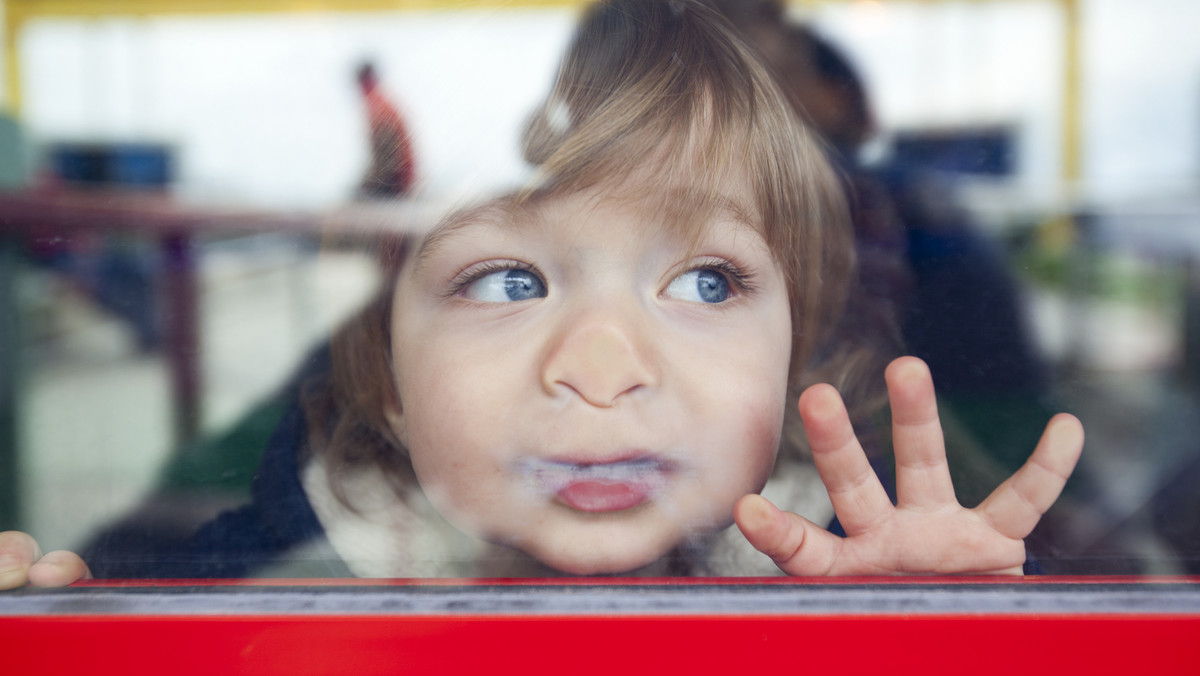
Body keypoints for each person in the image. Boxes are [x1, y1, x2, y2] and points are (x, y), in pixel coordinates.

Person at [0, 0, 1083, 587]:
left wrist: (932, 615)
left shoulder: (847, 553)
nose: (603, 368)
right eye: (508, 278)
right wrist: (58, 595)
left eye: (707, 281)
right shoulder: (248, 575)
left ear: (796, 354)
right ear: (385, 379)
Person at [356, 61, 417, 198]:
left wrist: (368, 183)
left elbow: (387, 160)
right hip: (402, 179)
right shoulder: (383, 102)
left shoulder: (378, 107)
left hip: (397, 183)